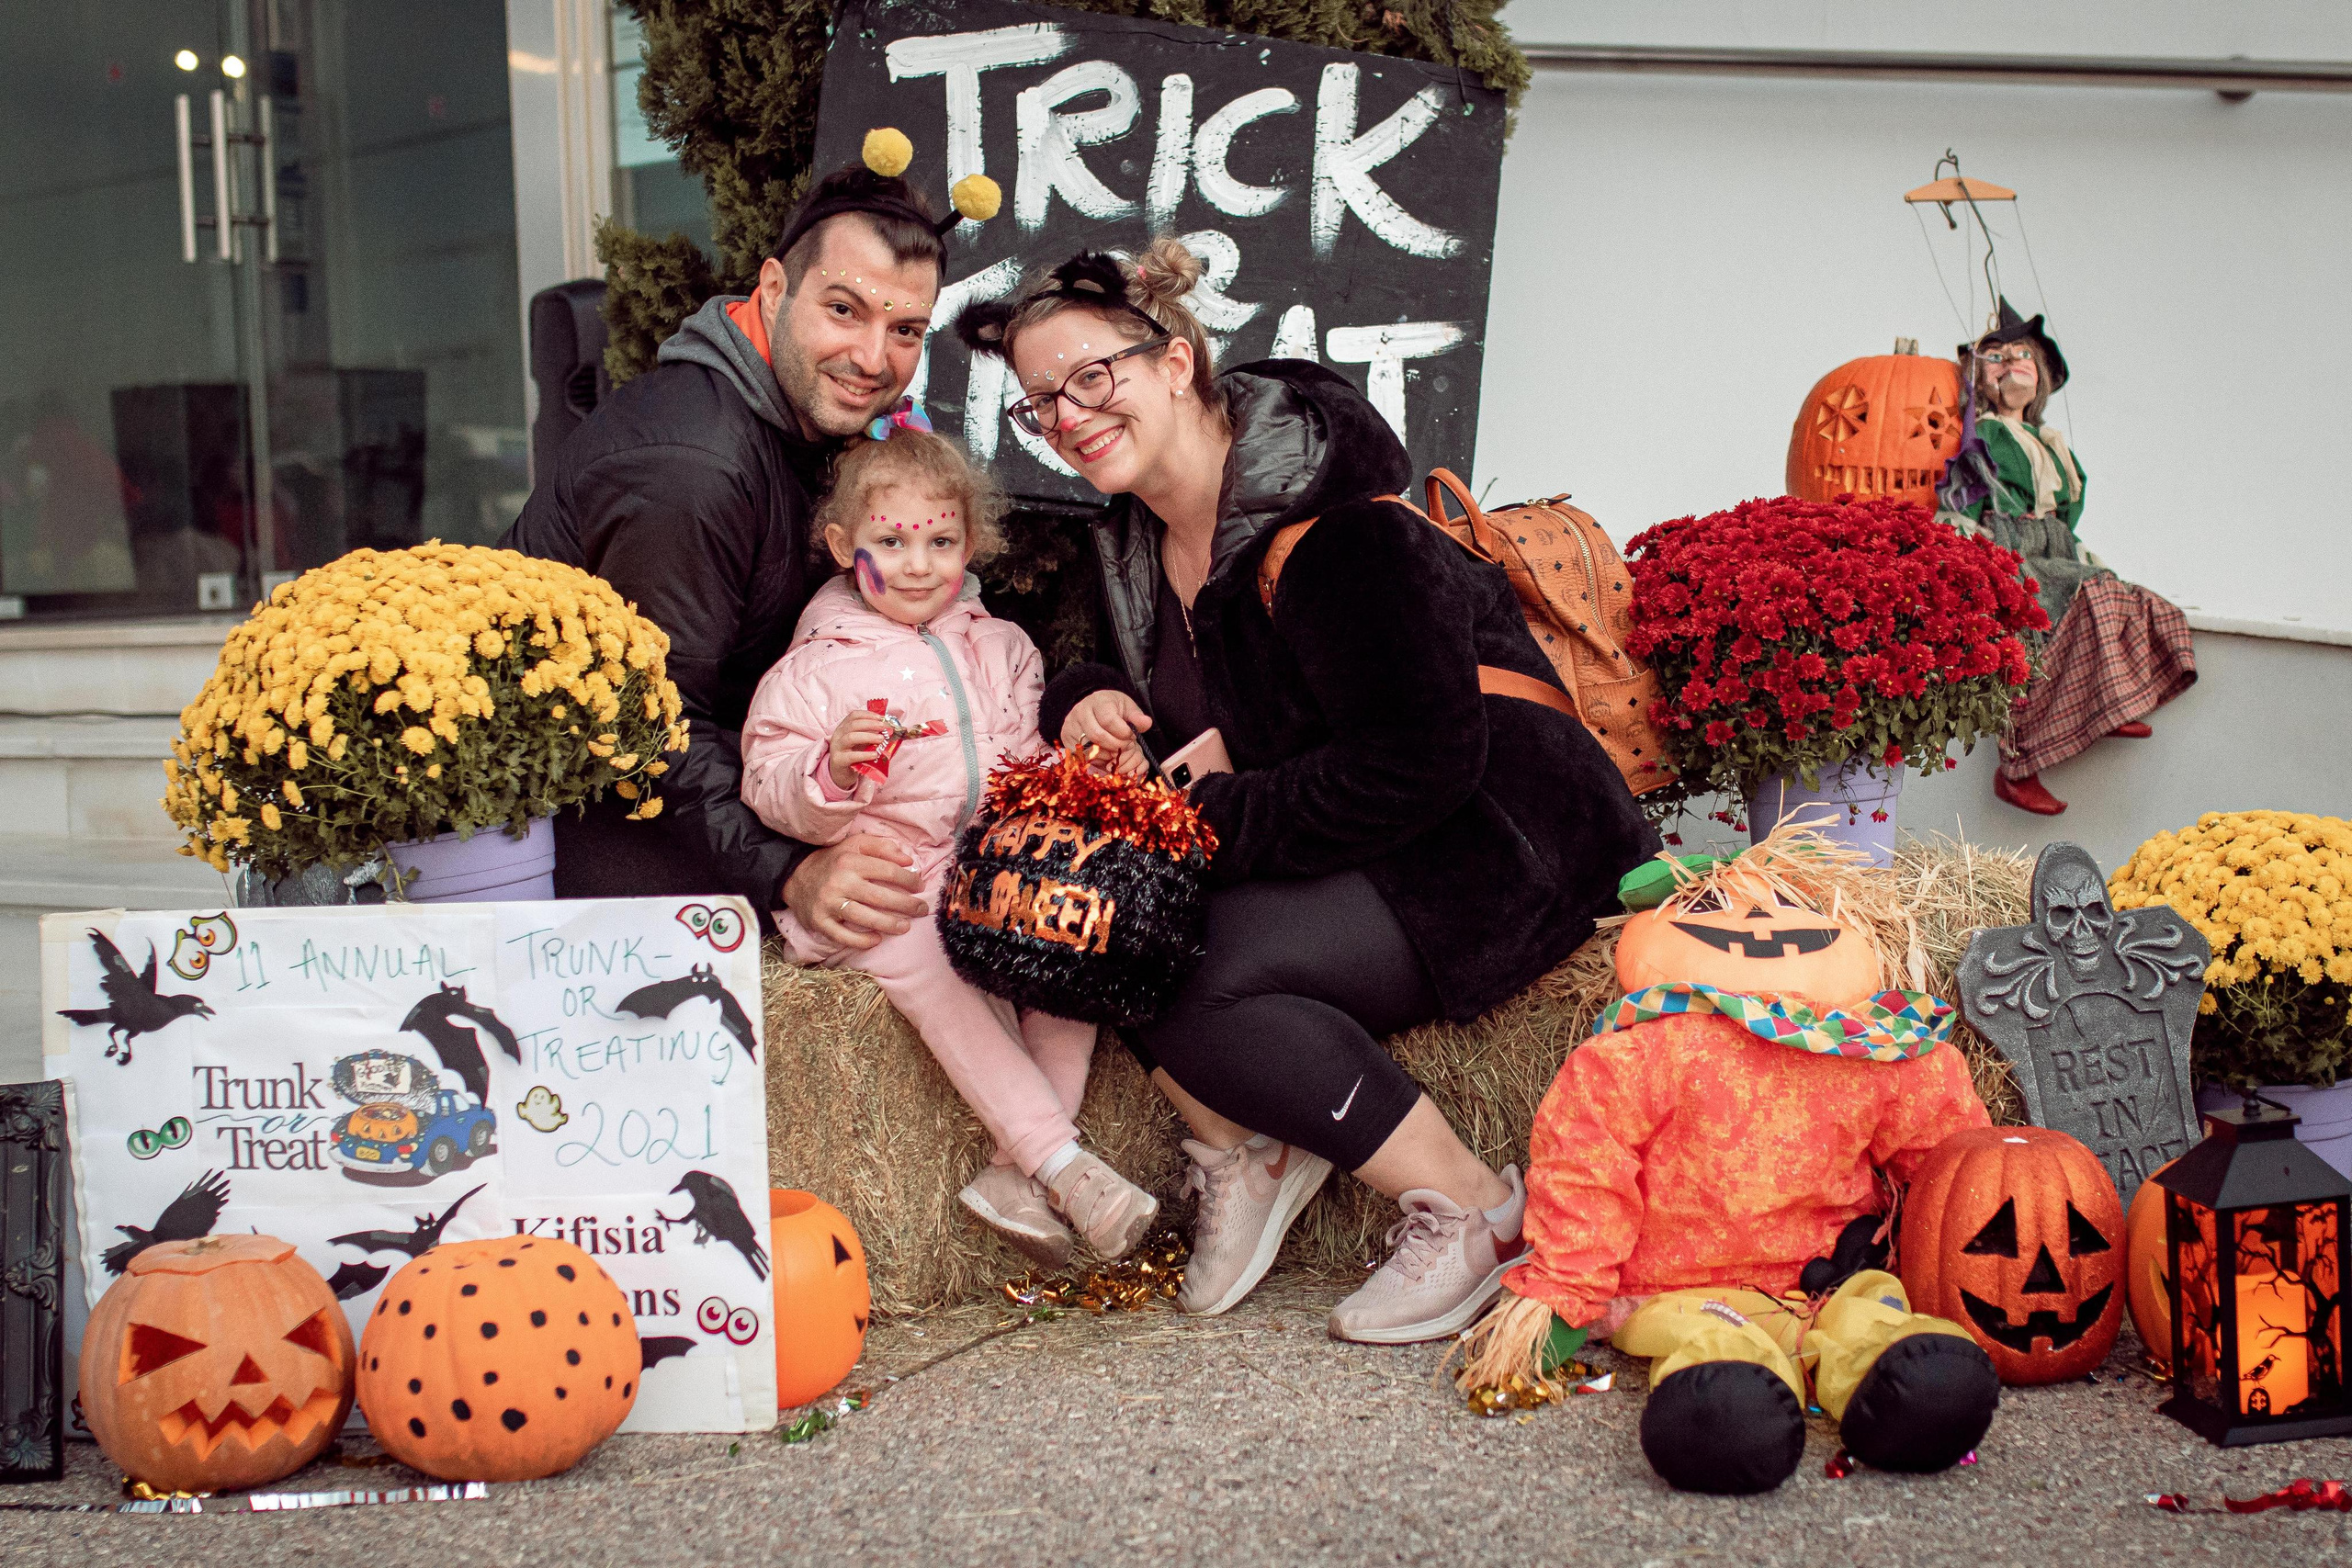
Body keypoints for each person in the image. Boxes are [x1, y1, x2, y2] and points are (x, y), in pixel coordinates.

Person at [957, 242, 1660, 1342]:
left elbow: (1417, 761)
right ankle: (1249, 1148)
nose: (1068, 417)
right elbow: (1111, 672)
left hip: (1495, 840)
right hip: (1356, 835)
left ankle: (1473, 1209)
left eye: (1091, 377)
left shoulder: (1340, 532)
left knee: (1186, 965)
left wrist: (1191, 829)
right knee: (1094, 925)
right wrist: (1086, 699)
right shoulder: (1136, 543)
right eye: (1042, 401)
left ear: (1175, 363)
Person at [502, 152, 970, 953]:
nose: (873, 359)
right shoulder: (694, 465)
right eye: (844, 310)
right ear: (774, 288)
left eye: (905, 330)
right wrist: (788, 870)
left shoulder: (805, 423)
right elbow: (648, 723)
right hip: (580, 843)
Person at [738, 427, 1157, 1267]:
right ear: (842, 546)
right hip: (887, 881)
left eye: (940, 541)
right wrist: (831, 772)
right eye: (891, 542)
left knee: (1071, 954)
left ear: (971, 543)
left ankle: (1009, 1173)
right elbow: (767, 780)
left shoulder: (1003, 646)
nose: (918, 564)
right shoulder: (814, 669)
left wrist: (1077, 775)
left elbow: (1028, 757)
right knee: (941, 971)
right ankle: (1061, 1163)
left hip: (989, 862)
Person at [1938, 300, 2195, 816]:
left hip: (2053, 542)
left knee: (2124, 596)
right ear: (1977, 376)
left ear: (2042, 375)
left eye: (2022, 355)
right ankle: (2024, 760)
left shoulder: (2052, 445)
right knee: (2063, 612)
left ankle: (2109, 701)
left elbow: (2066, 510)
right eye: (1995, 357)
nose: (2010, 363)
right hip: (2009, 544)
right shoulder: (1981, 435)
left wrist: (2073, 547)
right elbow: (1964, 495)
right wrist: (1972, 548)